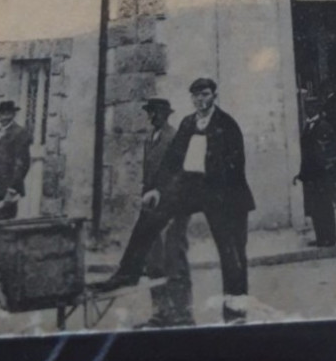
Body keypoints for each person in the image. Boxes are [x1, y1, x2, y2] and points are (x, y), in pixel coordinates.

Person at [91, 77, 255, 325]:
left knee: (232, 256)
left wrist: (217, 191)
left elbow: (236, 165)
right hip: (193, 189)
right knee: (150, 214)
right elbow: (172, 160)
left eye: (205, 94)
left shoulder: (226, 124)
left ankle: (235, 315)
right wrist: (157, 189)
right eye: (196, 96)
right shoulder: (188, 123)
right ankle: (127, 274)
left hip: (225, 194)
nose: (200, 100)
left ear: (214, 96)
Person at [138, 97, 194, 328]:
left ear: (164, 114)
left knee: (174, 258)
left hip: (174, 207)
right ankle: (161, 313)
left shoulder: (174, 138)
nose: (150, 116)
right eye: (149, 112)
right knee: (153, 262)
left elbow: (180, 175)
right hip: (152, 209)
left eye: (153, 112)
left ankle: (183, 314)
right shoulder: (150, 139)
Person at [294, 97, 336, 247]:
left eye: (311, 106)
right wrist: (302, 174)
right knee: (315, 208)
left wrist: (324, 170)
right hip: (312, 175)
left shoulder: (323, 126)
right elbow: (306, 153)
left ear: (317, 108)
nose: (308, 109)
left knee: (325, 206)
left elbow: (327, 152)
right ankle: (321, 237)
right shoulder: (309, 126)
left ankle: (330, 238)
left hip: (321, 175)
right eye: (306, 106)